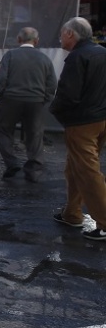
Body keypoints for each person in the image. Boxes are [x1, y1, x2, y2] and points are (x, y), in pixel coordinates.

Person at [49, 17, 106, 241]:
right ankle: (72, 213)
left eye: (62, 34)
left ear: (71, 34)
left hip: (82, 122)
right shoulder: (102, 52)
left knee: (87, 171)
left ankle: (104, 222)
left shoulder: (77, 57)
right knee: (76, 167)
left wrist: (56, 111)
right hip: (101, 118)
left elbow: (67, 95)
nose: (60, 38)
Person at [0, 27, 57, 182]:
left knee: (4, 131)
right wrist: (44, 99)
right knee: (35, 134)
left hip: (10, 100)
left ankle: (12, 163)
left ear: (18, 39)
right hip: (35, 101)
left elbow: (1, 79)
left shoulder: (10, 55)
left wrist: (0, 96)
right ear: (36, 41)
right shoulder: (44, 59)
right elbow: (52, 83)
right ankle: (34, 169)